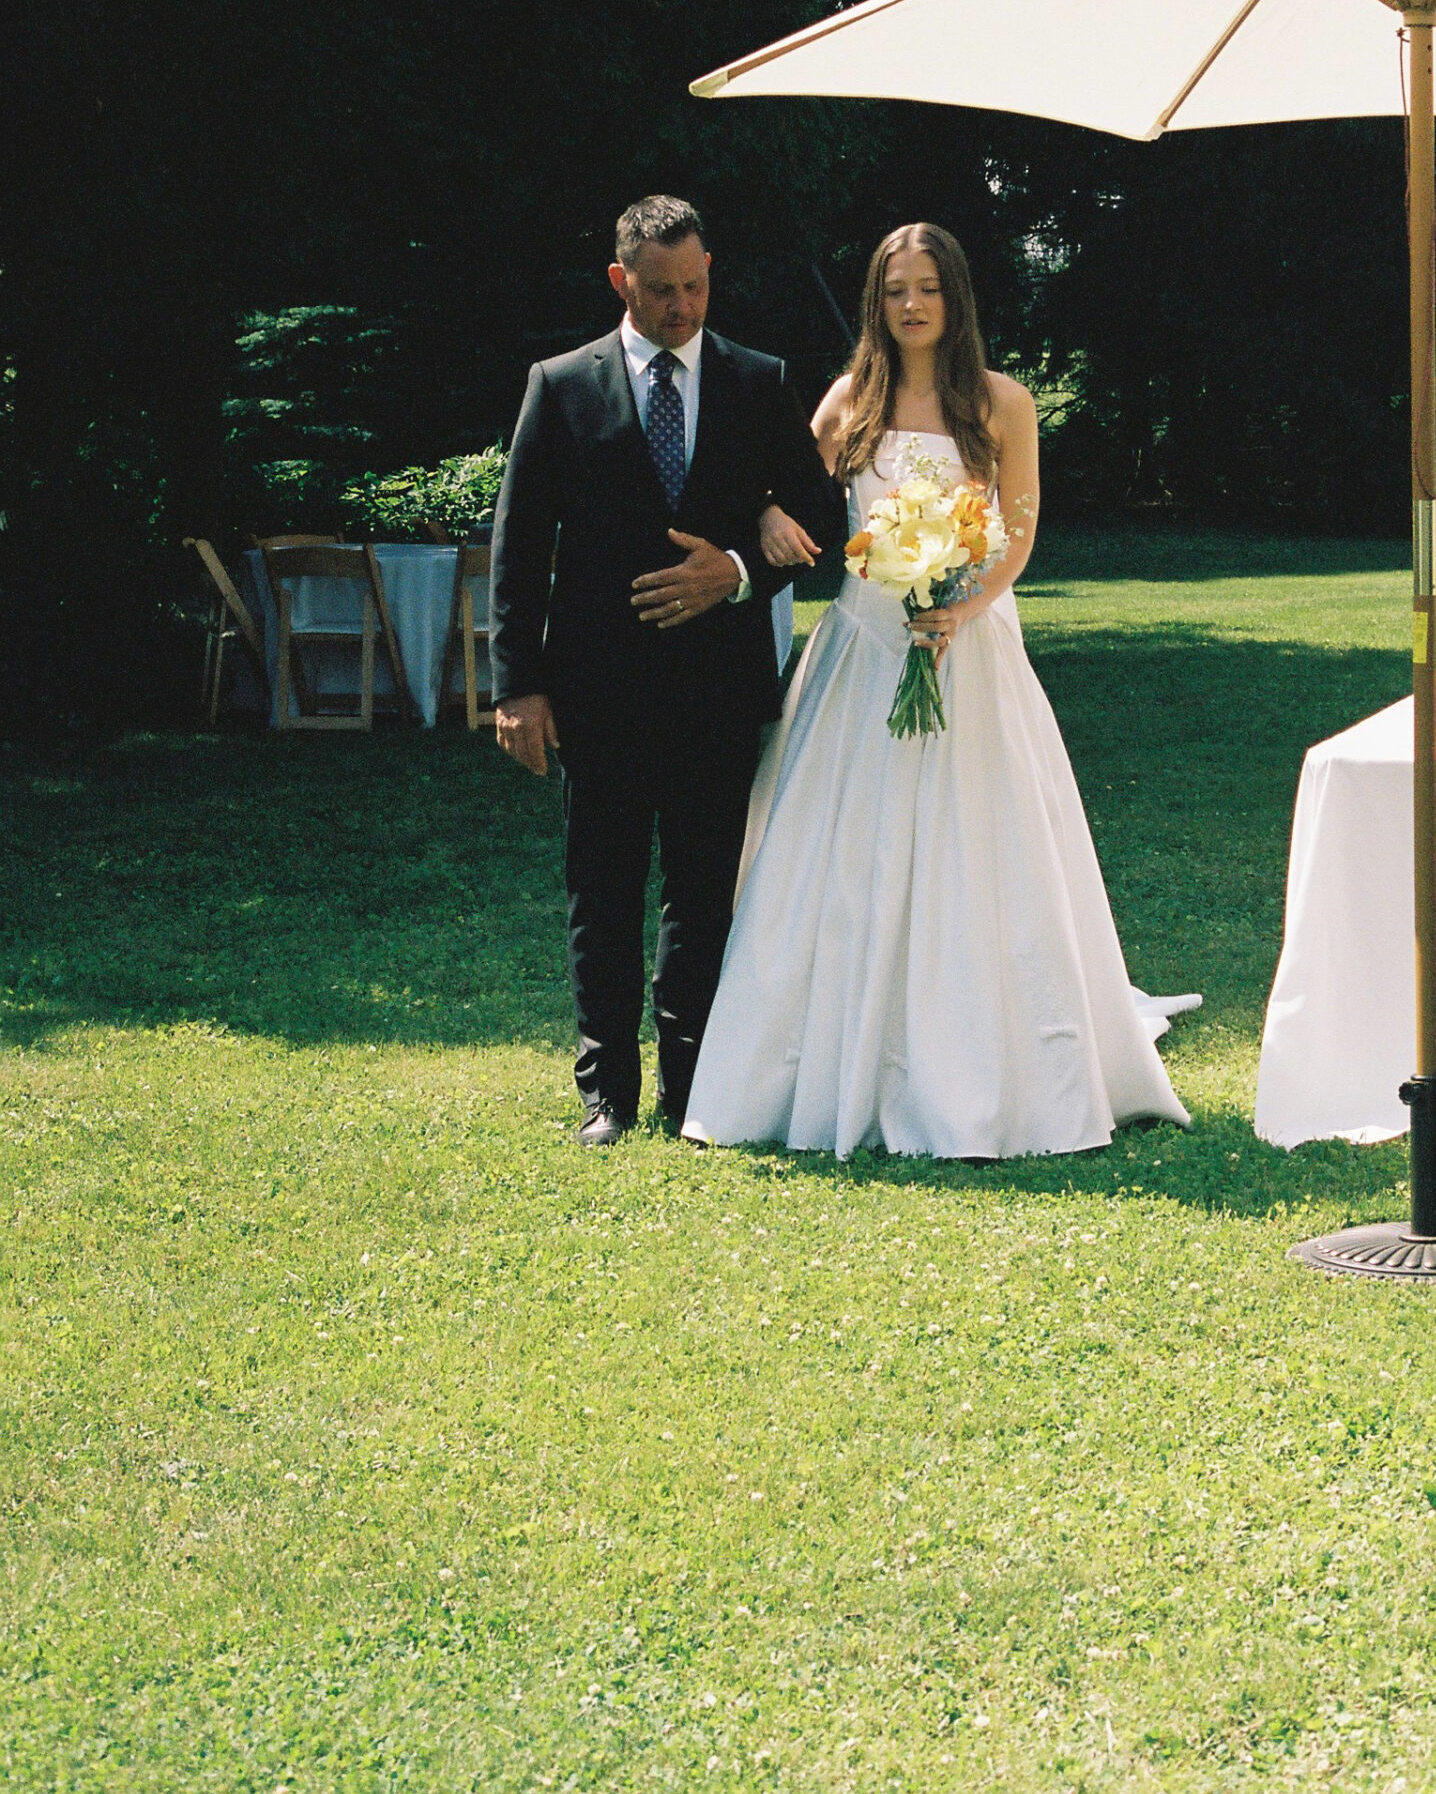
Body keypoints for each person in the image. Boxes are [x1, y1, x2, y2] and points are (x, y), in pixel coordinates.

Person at [682, 221, 1198, 1160]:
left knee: (979, 847)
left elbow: (1022, 528)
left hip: (968, 646)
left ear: (955, 299)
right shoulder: (848, 403)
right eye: (893, 291)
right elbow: (786, 491)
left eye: (927, 288)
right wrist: (763, 509)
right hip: (865, 648)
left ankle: (976, 1065)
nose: (911, 305)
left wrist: (963, 609)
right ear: (876, 304)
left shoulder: (1002, 404)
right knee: (840, 854)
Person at [489, 195, 846, 1144]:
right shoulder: (560, 386)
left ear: (709, 273)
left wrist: (734, 568)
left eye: (693, 286)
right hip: (595, 690)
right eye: (659, 291)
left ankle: (693, 1088)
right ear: (620, 283)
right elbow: (519, 547)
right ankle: (607, 1092)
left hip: (718, 692)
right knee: (601, 892)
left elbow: (830, 530)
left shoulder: (758, 380)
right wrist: (516, 687)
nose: (681, 307)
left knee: (700, 892)